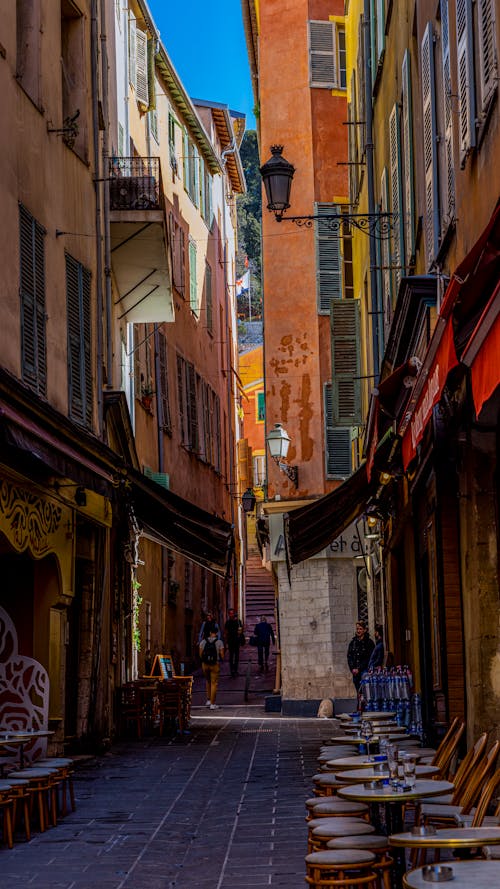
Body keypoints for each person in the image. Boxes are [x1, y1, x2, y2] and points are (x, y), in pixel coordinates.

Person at [347, 620, 375, 695]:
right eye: (357, 629)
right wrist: (352, 668)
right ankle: (359, 706)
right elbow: (349, 657)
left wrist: (359, 669)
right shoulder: (352, 643)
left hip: (365, 672)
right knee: (359, 694)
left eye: (360, 629)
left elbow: (370, 658)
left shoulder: (369, 643)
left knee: (366, 694)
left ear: (365, 630)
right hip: (356, 674)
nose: (358, 631)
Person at [199, 628, 224, 710]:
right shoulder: (219, 642)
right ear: (216, 633)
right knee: (214, 683)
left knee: (208, 681)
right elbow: (222, 654)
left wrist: (204, 661)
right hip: (214, 664)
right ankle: (213, 704)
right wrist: (221, 660)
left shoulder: (203, 641)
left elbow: (200, 654)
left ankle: (208, 700)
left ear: (210, 632)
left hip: (205, 664)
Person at [224, 608, 244, 678]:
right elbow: (226, 632)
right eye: (230, 613)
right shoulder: (227, 622)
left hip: (236, 641)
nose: (231, 615)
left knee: (236, 656)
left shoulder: (238, 621)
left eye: (232, 613)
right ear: (229, 614)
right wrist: (226, 643)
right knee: (231, 656)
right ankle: (232, 670)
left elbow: (241, 630)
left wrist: (240, 635)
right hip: (230, 641)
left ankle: (235, 670)